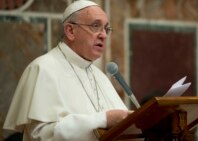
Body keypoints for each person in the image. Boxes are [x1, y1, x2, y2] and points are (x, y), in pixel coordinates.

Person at [3, 0, 132, 141]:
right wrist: (103, 119)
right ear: (70, 31)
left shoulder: (100, 76)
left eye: (106, 28)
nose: (103, 35)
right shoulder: (42, 68)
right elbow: (40, 135)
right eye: (95, 26)